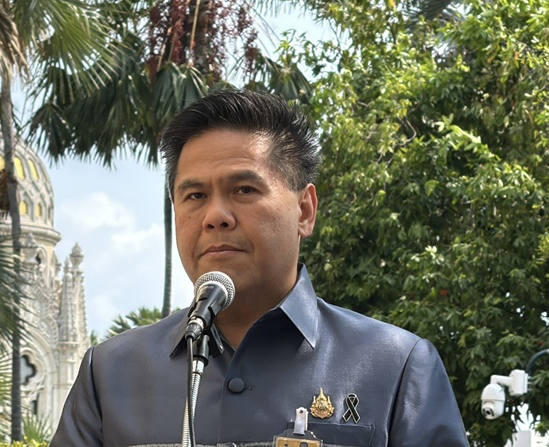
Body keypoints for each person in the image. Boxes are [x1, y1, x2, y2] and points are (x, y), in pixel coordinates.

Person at [51, 90, 469, 446]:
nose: (215, 216)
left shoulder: (396, 366)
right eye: (195, 196)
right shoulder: (110, 374)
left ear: (304, 211)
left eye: (244, 189)